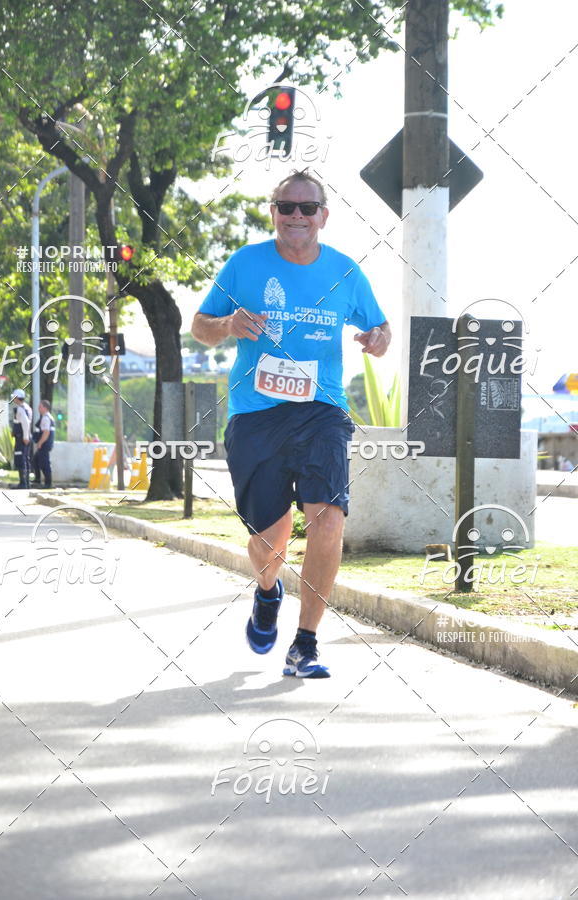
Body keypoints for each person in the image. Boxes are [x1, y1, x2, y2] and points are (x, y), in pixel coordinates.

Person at [192, 169, 391, 678]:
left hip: (322, 410)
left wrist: (377, 340)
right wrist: (228, 325)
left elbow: (379, 326)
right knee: (272, 535)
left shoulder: (346, 272)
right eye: (287, 207)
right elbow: (200, 327)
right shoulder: (244, 265)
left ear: (324, 215)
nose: (297, 216)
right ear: (273, 212)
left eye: (308, 208)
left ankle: (305, 643)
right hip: (255, 415)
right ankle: (266, 589)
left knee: (328, 516)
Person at [10, 388, 32, 489]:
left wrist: (25, 437)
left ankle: (23, 483)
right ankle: (26, 483)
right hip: (24, 437)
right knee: (25, 459)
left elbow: (26, 423)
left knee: (20, 459)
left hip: (22, 439)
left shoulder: (20, 409)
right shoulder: (27, 407)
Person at [32, 399, 55, 488]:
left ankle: (48, 483)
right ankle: (37, 479)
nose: (38, 408)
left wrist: (40, 443)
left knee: (44, 463)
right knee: (36, 460)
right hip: (45, 444)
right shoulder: (47, 417)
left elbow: (46, 432)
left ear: (45, 408)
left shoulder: (46, 418)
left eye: (40, 407)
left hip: (45, 444)